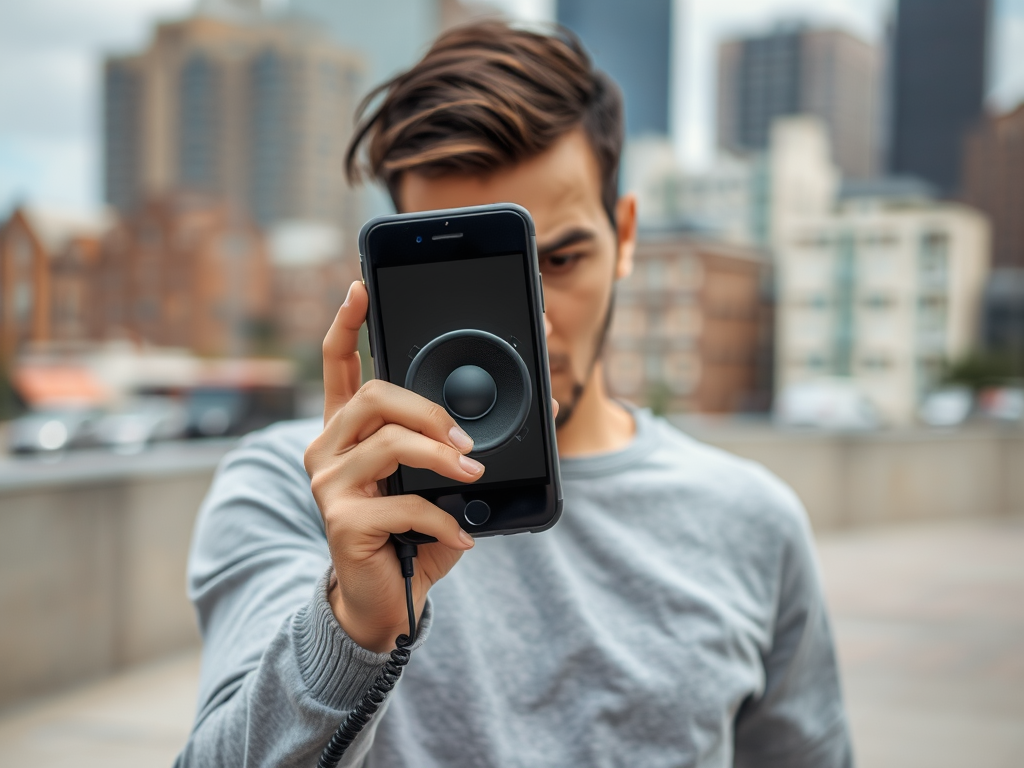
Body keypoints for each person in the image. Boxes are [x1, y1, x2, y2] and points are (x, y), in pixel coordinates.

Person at [176, 21, 852, 768]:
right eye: (475, 278)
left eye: (558, 258)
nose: (534, 319)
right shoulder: (294, 489)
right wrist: (351, 627)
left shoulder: (751, 519)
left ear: (625, 235)